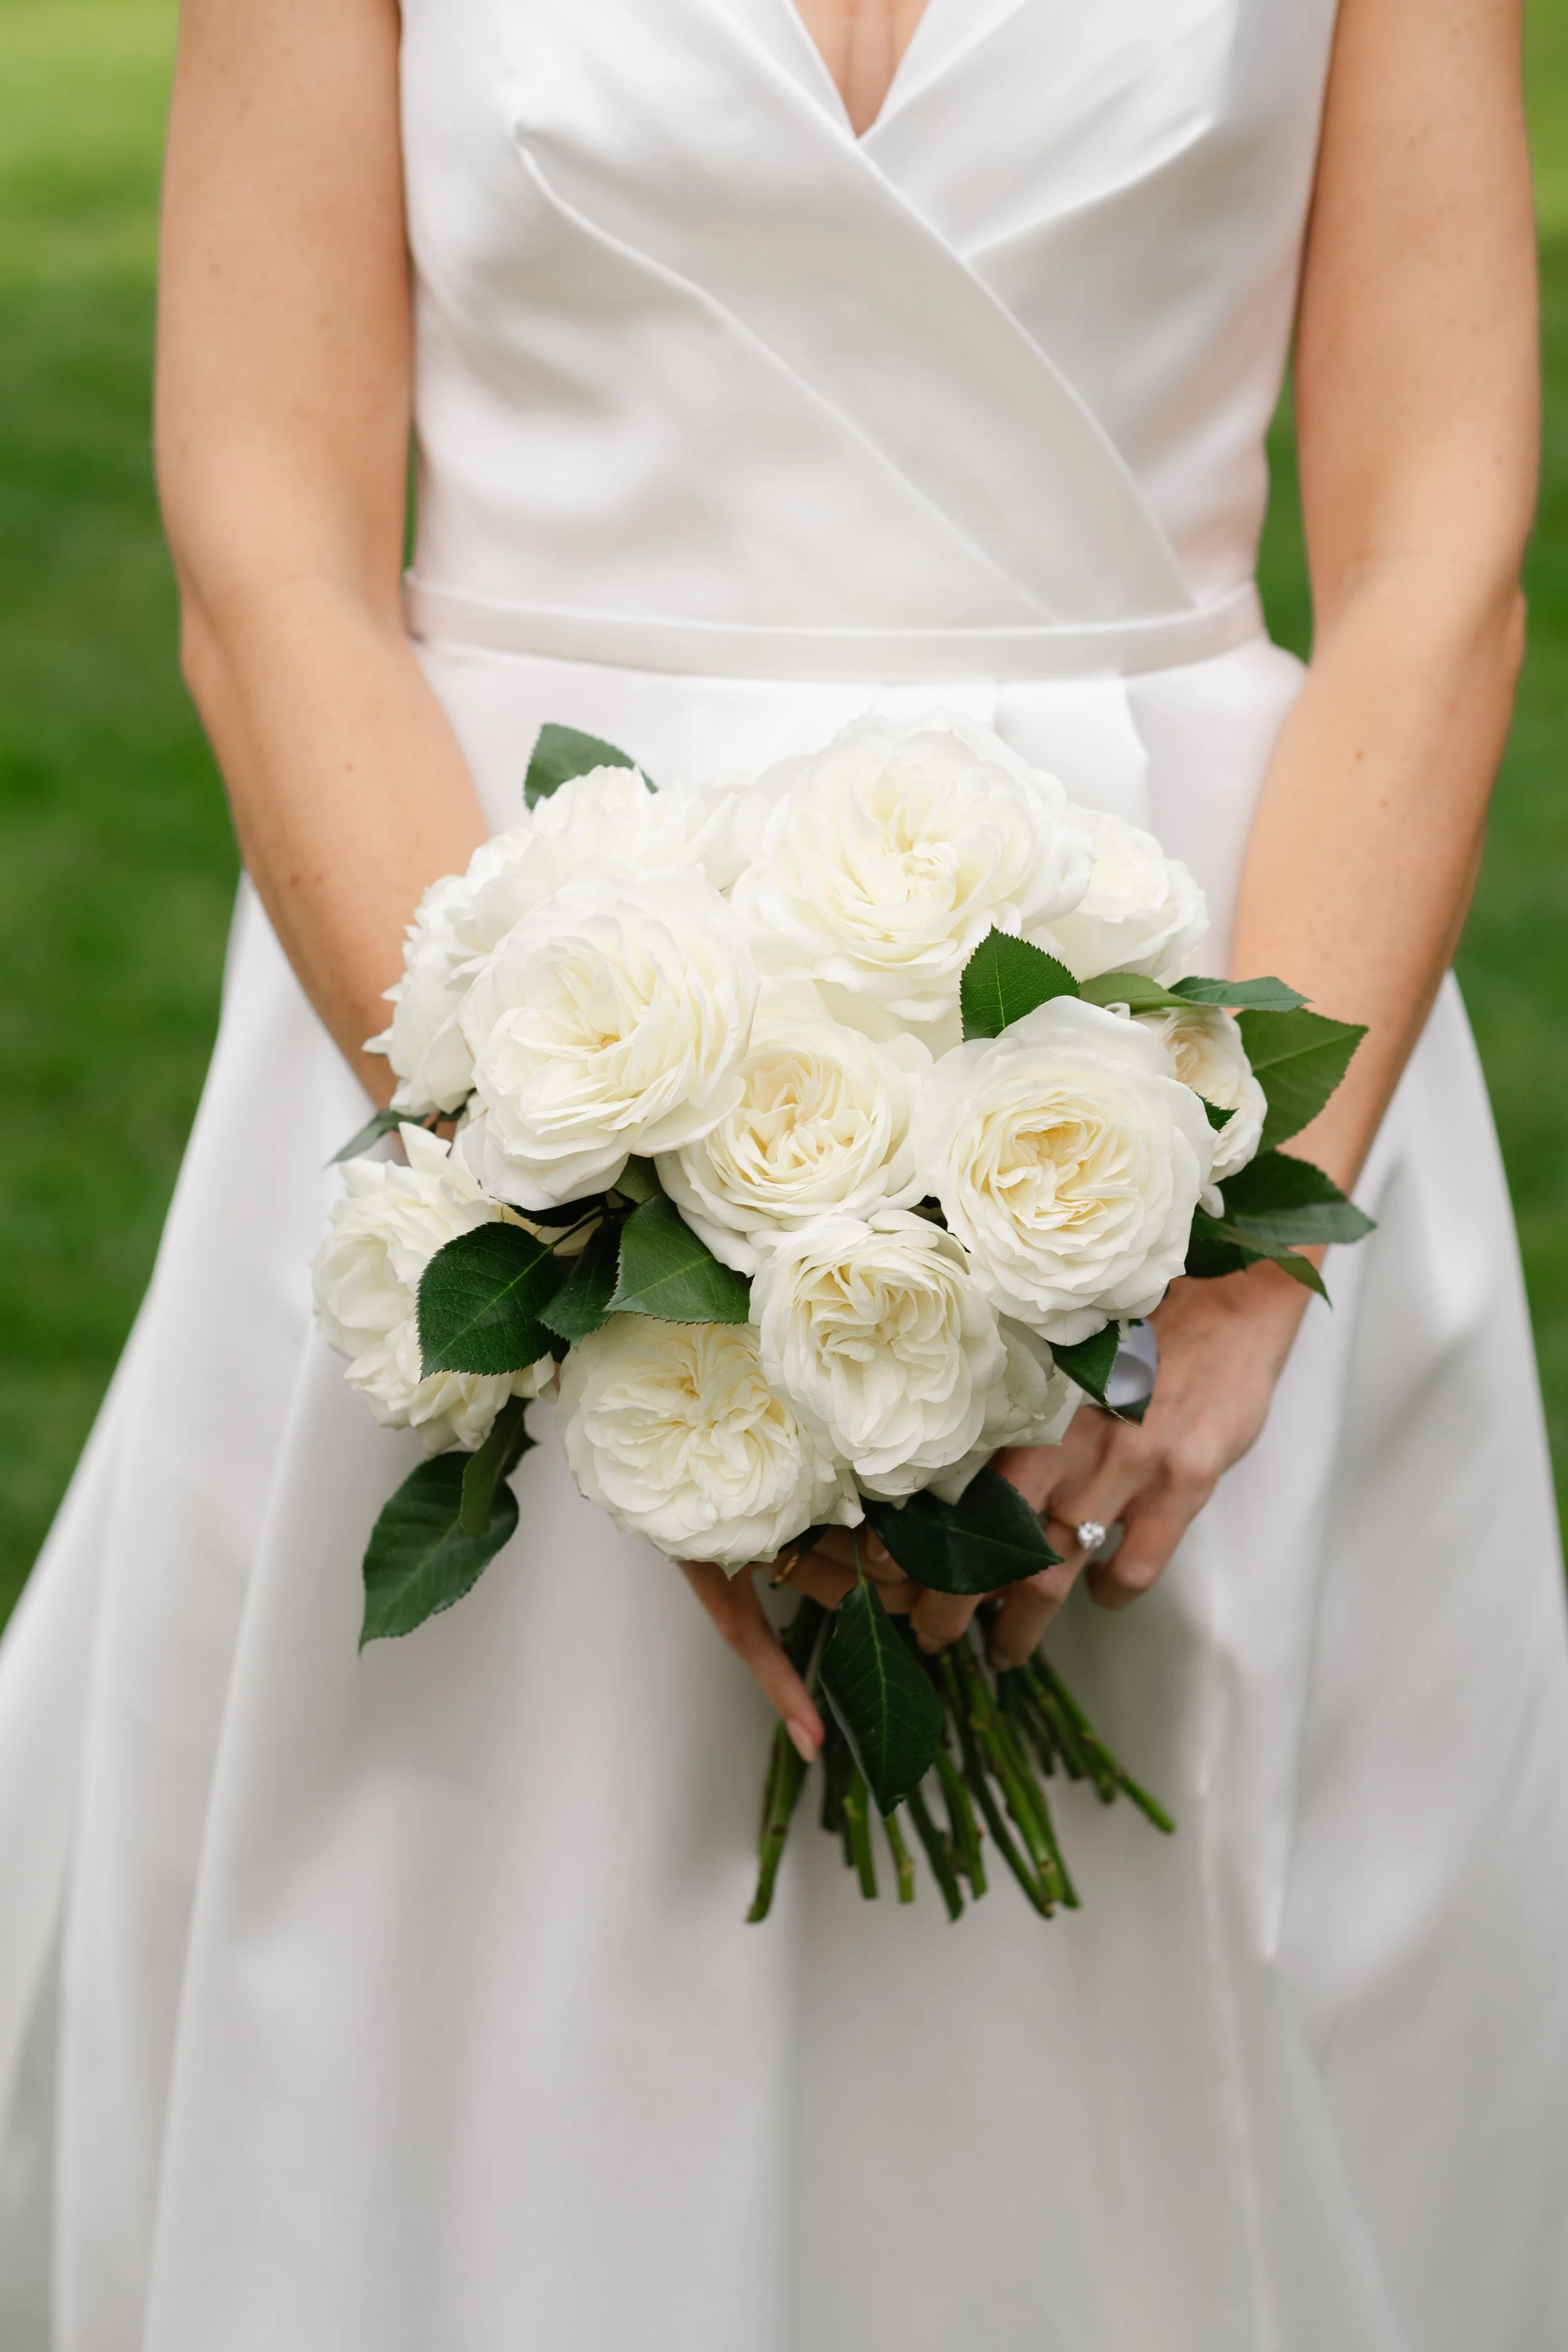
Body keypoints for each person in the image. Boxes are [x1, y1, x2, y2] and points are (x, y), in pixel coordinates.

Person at [2, 0, 1566, 2344]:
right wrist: (570, 1242)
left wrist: (1231, 1260)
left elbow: (1440, 545)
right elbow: (268, 546)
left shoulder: (1223, 1217)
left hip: (1189, 1040)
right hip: (490, 1000)